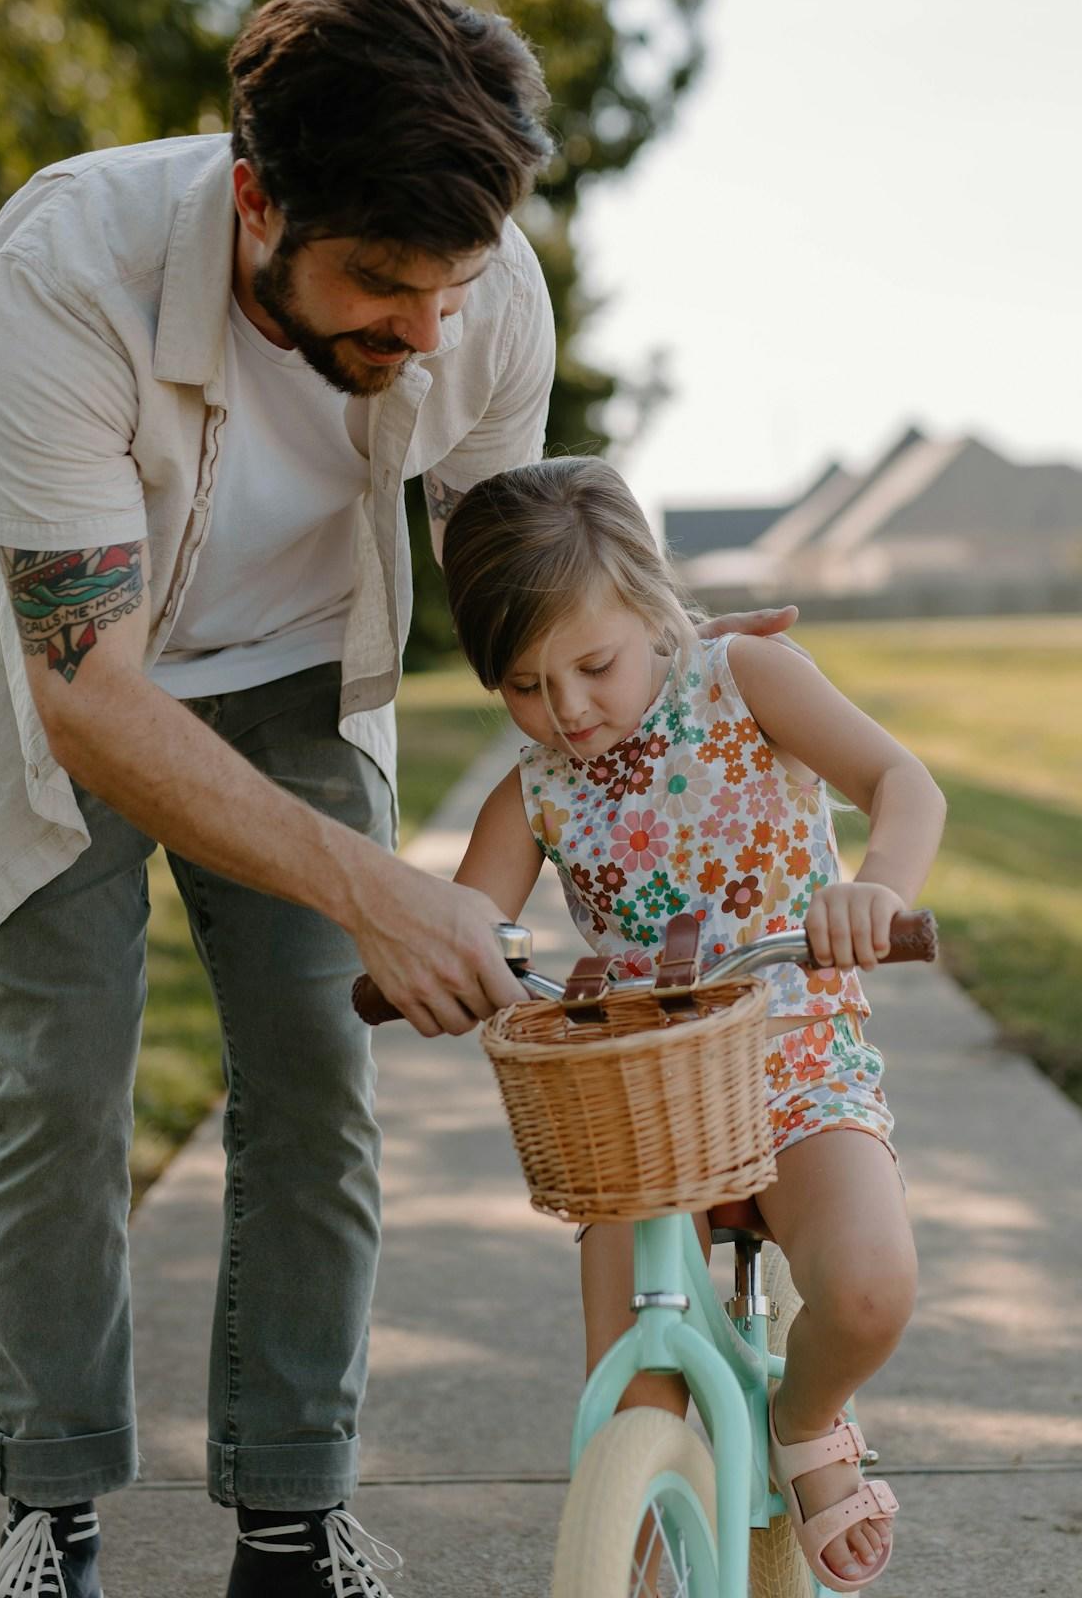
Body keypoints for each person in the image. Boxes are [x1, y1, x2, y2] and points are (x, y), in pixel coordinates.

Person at [0, 3, 796, 1593]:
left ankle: (293, 1519)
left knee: (320, 1074)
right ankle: (52, 1512)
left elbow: (516, 571)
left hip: (301, 665)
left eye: (451, 289)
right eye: (382, 287)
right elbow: (89, 690)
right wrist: (379, 883)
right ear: (257, 203)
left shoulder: (482, 289)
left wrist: (664, 653)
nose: (430, 333)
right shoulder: (62, 269)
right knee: (65, 1082)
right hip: (60, 685)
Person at [436, 458, 943, 1591]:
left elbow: (904, 782)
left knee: (868, 1288)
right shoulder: (537, 790)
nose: (565, 709)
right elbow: (476, 911)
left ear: (655, 608)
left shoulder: (744, 676)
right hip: (642, 1106)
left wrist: (878, 888)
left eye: (593, 664)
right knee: (630, 1391)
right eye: (523, 685)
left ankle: (806, 1424)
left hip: (798, 1056)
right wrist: (449, 949)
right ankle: (631, 1545)